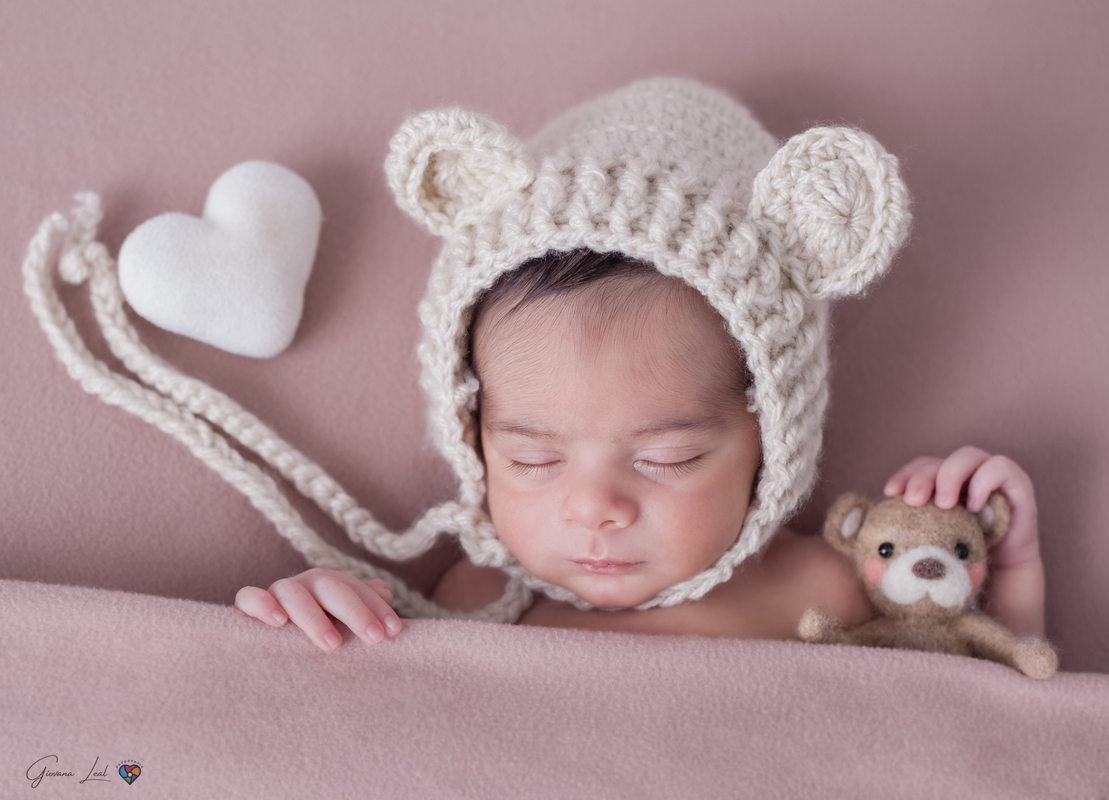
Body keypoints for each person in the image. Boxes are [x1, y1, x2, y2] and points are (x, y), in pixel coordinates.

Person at [233, 79, 1046, 653]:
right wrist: (336, 628)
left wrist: (1003, 574)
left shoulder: (830, 586)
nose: (594, 508)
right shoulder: (478, 605)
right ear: (472, 435)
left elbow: (981, 726)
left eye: (668, 458)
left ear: (772, 434)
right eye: (532, 458)